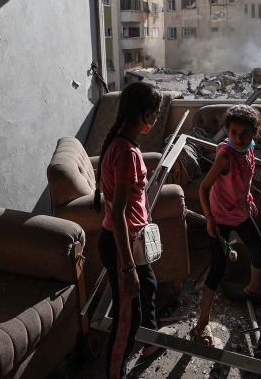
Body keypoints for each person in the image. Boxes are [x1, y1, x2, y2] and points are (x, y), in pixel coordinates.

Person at [94, 81, 163, 378]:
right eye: (156, 113)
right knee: (126, 320)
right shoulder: (127, 153)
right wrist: (127, 268)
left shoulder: (120, 144)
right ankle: (114, 372)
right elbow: (119, 213)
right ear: (146, 114)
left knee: (149, 287)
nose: (157, 118)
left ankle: (149, 343)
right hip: (122, 244)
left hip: (128, 241)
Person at [194, 104, 261, 346]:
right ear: (227, 132)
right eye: (233, 133)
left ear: (254, 133)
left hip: (240, 213)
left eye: (245, 134)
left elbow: (244, 180)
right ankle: (203, 322)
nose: (239, 139)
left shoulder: (249, 151)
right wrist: (209, 218)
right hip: (219, 218)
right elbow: (203, 188)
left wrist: (248, 198)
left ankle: (253, 287)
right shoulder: (225, 157)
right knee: (218, 270)